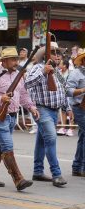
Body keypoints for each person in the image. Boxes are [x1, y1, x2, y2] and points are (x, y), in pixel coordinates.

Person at [0, 48, 39, 191]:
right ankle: (18, 179)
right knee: (7, 145)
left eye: (17, 59)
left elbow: (23, 94)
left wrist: (31, 107)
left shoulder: (19, 74)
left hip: (12, 116)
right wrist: (0, 98)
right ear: (4, 61)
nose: (16, 62)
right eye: (13, 59)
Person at [25, 42, 72, 188]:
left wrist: (67, 107)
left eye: (59, 53)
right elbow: (27, 84)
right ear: (45, 55)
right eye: (54, 52)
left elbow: (62, 91)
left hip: (54, 110)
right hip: (41, 109)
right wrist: (43, 72)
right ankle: (56, 174)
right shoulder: (37, 68)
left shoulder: (57, 71)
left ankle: (38, 171)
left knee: (41, 140)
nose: (58, 55)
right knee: (51, 138)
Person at [66, 49, 85, 177]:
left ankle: (77, 167)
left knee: (83, 137)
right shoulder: (75, 73)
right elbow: (68, 91)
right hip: (79, 107)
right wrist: (83, 90)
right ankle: (82, 167)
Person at [57, 58, 74, 136]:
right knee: (63, 111)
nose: (59, 65)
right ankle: (63, 127)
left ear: (64, 65)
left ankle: (71, 128)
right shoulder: (58, 73)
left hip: (69, 94)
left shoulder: (71, 73)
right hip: (61, 94)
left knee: (70, 111)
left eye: (60, 63)